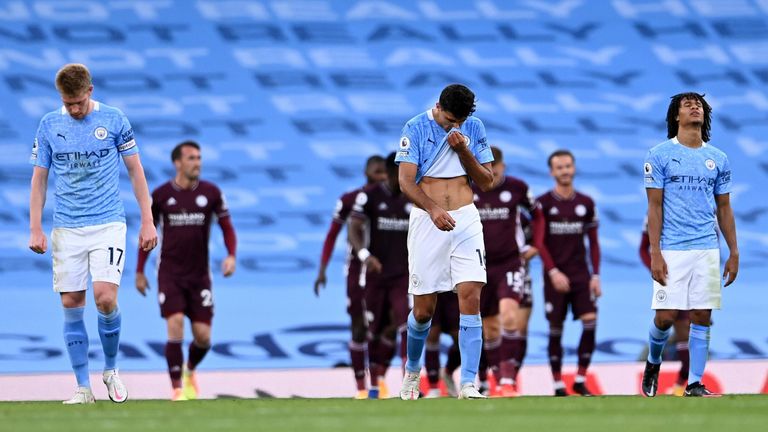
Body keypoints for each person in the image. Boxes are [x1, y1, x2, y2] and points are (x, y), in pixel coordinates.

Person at [28, 63, 157, 404]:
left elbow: (135, 170)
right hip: (67, 227)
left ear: (90, 91)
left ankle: (111, 369)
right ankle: (83, 388)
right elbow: (40, 178)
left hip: (107, 223)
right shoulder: (49, 125)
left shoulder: (114, 119)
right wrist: (36, 227)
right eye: (67, 103)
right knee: (72, 303)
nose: (73, 109)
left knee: (105, 298)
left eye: (78, 102)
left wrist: (148, 220)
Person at [396, 83, 494, 400]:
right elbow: (405, 182)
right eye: (450, 119)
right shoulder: (416, 126)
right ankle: (412, 373)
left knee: (471, 295)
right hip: (428, 220)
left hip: (465, 218)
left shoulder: (472, 127)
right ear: (438, 106)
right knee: (424, 310)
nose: (455, 126)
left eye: (460, 121)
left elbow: (486, 181)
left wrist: (463, 148)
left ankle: (468, 383)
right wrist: (433, 208)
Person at [641, 92, 738, 398]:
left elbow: (724, 208)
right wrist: (655, 251)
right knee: (666, 317)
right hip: (671, 246)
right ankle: (654, 360)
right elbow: (654, 207)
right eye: (688, 104)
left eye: (699, 104)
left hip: (707, 247)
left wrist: (733, 252)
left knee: (702, 315)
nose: (695, 107)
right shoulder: (658, 155)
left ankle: (694, 383)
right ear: (675, 116)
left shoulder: (718, 159)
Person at [135, 141, 237, 401]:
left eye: (199, 158)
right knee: (175, 325)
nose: (197, 163)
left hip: (200, 275)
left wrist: (231, 255)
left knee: (203, 337)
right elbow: (148, 235)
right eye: (191, 158)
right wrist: (139, 271)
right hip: (170, 274)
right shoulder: (160, 196)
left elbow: (227, 227)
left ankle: (190, 371)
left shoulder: (211, 193)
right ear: (177, 162)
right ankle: (177, 388)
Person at [312, 155, 386, 399]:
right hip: (356, 269)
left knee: (382, 327)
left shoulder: (394, 199)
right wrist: (322, 269)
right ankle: (362, 388)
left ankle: (378, 382)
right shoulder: (349, 199)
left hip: (384, 268)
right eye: (377, 172)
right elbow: (332, 234)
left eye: (384, 172)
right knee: (358, 326)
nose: (382, 177)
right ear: (366, 173)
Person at [533, 149, 601, 397]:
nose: (564, 171)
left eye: (568, 166)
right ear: (552, 172)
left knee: (590, 321)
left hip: (581, 274)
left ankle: (580, 379)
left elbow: (593, 243)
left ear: (574, 168)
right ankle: (558, 383)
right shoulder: (542, 203)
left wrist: (596, 275)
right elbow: (539, 243)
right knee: (555, 328)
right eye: (559, 167)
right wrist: (552, 272)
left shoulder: (586, 203)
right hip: (555, 276)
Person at [473, 146, 539, 397]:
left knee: (510, 317)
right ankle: (498, 381)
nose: (491, 173)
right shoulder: (469, 189)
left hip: (510, 262)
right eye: (486, 168)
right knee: (489, 327)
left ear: (502, 167)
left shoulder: (517, 188)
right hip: (479, 264)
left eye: (495, 168)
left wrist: (535, 245)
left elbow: (538, 216)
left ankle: (509, 381)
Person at [348, 152, 411, 399]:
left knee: (406, 324)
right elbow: (353, 227)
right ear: (391, 172)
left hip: (403, 275)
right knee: (372, 329)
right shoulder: (370, 196)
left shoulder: (412, 195)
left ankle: (410, 381)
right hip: (375, 274)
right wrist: (364, 255)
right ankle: (372, 384)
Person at [639, 217, 689, 396]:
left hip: (693, 273)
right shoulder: (656, 208)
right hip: (667, 276)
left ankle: (683, 387)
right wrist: (654, 268)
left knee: (686, 332)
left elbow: (713, 245)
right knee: (665, 319)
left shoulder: (707, 205)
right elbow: (643, 248)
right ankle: (653, 362)